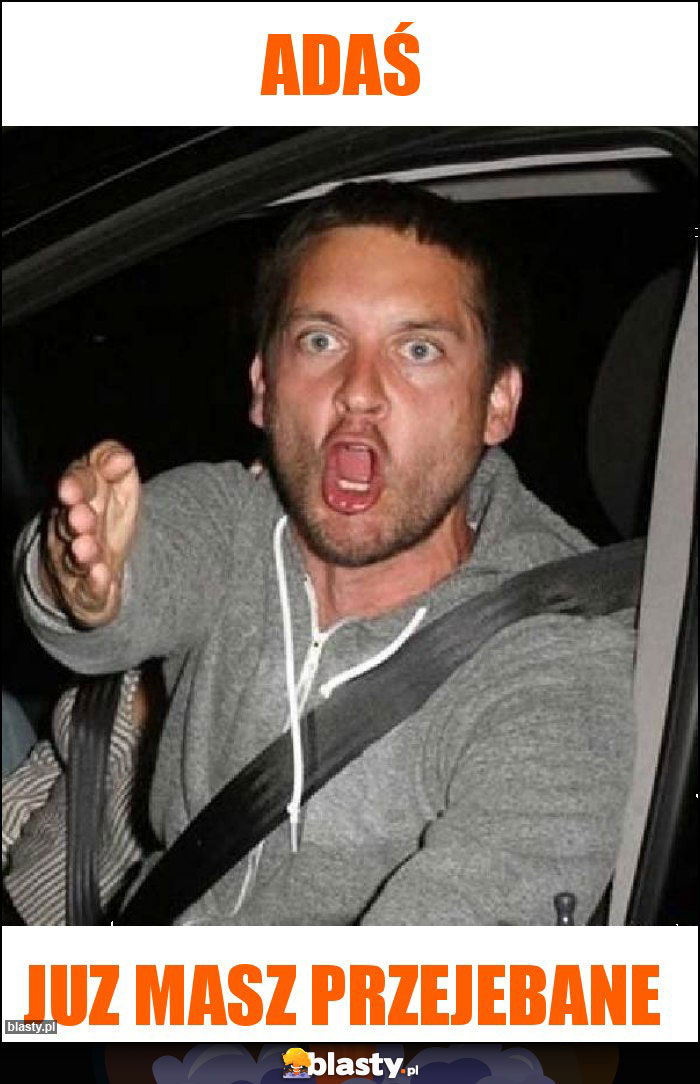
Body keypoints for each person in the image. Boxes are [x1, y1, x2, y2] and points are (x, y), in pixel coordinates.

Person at [12, 181, 636, 925]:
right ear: (262, 386)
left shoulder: (553, 664)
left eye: (419, 349)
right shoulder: (237, 519)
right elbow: (128, 584)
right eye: (320, 341)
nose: (359, 391)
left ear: (497, 403)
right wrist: (72, 575)